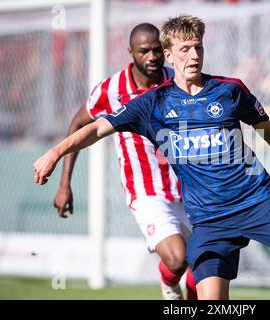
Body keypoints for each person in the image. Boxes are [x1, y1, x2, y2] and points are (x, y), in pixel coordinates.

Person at [34, 15, 270, 300]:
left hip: (256, 202)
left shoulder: (230, 90)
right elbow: (95, 129)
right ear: (169, 56)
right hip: (208, 220)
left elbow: (267, 129)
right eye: (185, 49)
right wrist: (54, 152)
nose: (194, 56)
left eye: (199, 47)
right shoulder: (152, 103)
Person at [51, 23, 196, 300]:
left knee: (203, 267)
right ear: (130, 52)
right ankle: (168, 284)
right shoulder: (111, 90)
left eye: (157, 50)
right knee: (177, 260)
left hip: (188, 187)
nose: (152, 57)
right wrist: (64, 184)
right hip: (146, 191)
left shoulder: (179, 80)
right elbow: (78, 125)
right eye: (144, 51)